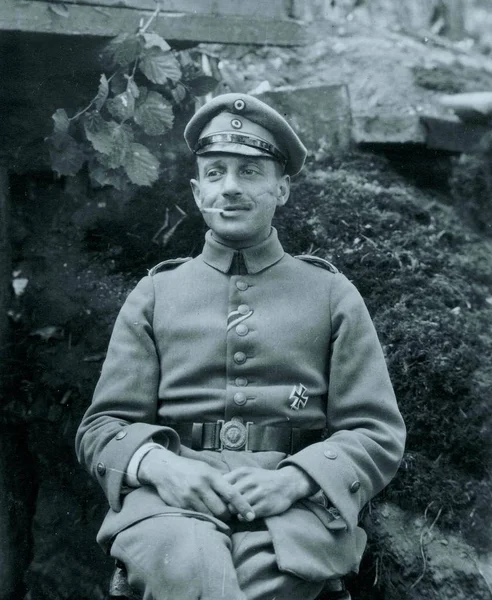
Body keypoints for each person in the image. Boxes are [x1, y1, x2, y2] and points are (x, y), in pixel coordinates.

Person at [75, 93, 406, 600]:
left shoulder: (330, 293)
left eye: (250, 171)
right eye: (215, 172)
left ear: (283, 188)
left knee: (266, 581)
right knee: (186, 569)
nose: (229, 187)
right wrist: (164, 467)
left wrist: (297, 480)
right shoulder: (156, 293)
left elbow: (376, 432)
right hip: (168, 507)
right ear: (195, 189)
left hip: (290, 513)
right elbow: (101, 429)